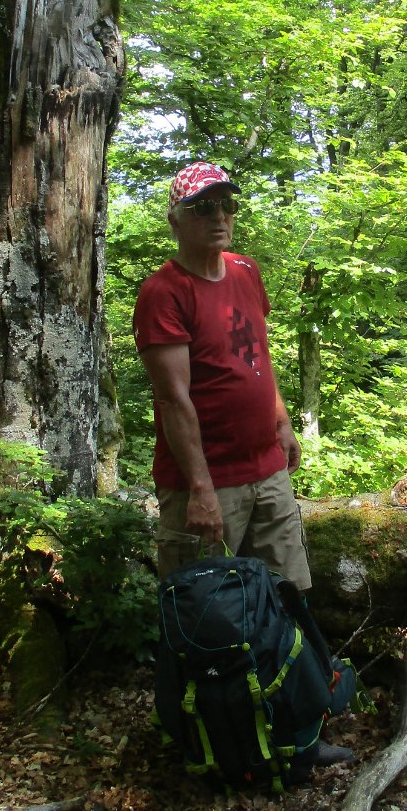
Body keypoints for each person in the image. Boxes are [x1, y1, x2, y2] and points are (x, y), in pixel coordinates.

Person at [133, 161, 311, 590]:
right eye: (203, 207)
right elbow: (173, 399)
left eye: (226, 205)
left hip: (267, 472)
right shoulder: (164, 293)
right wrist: (200, 488)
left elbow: (257, 358)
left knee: (287, 597)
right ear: (175, 221)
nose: (219, 216)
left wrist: (282, 422)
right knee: (208, 609)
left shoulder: (246, 270)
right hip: (209, 484)